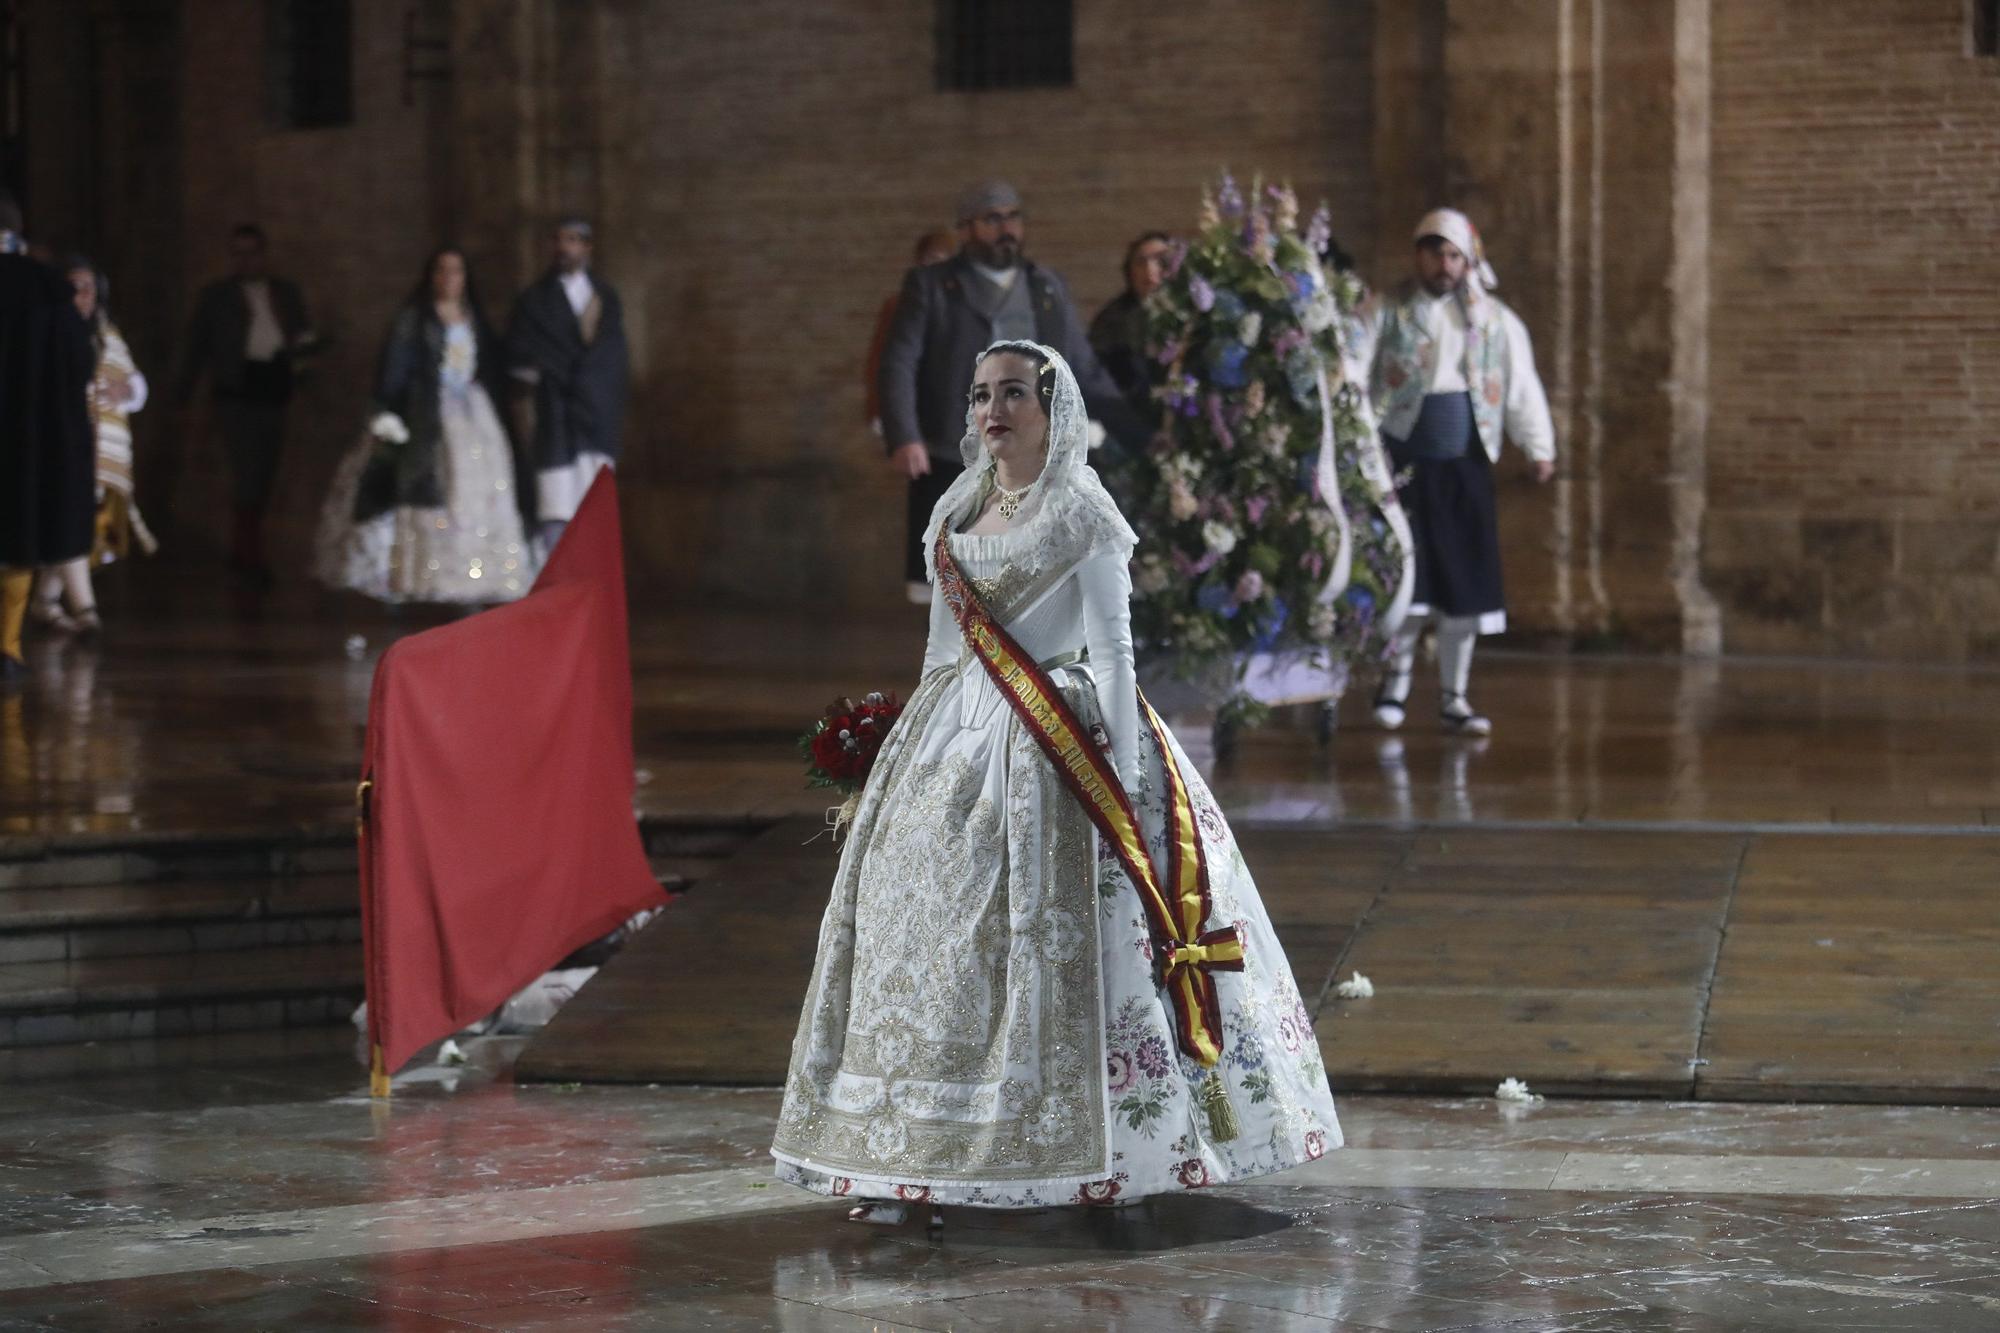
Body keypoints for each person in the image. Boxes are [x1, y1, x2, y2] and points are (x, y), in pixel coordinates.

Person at [772, 342, 1339, 1228]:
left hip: (1064, 741)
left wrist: (1120, 768)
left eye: (1012, 394)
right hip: (955, 743)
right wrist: (901, 754)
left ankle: (1118, 1157)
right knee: (927, 941)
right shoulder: (955, 508)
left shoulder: (1083, 511)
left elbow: (1114, 652)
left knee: (1073, 947)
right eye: (980, 394)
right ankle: (915, 1157)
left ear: (1052, 407)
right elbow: (942, 654)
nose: (993, 409)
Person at [876, 180, 1148, 605]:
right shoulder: (931, 286)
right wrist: (905, 434)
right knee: (957, 586)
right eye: (992, 219)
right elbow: (899, 362)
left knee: (1031, 581)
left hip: (1034, 458)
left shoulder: (1046, 288)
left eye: (1013, 217)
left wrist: (1135, 426)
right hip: (956, 449)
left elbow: (1081, 366)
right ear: (965, 230)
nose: (1007, 229)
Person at [1351, 208, 1554, 737]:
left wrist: (1537, 445)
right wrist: (1353, 441)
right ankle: (1393, 685)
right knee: (1407, 582)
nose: (1444, 264)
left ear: (1468, 261)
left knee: (1465, 583)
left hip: (1464, 464)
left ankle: (1454, 697)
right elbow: (1354, 367)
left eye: (1454, 255)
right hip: (1403, 465)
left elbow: (1519, 384)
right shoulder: (1386, 310)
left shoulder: (1493, 322)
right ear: (1418, 255)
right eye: (1435, 252)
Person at [314, 247, 533, 604]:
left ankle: (473, 578)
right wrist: (387, 414)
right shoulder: (414, 319)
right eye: (441, 271)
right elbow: (395, 371)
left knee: (477, 489)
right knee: (426, 486)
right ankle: (415, 577)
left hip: (472, 414)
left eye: (456, 271)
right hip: (426, 413)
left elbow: (489, 364)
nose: (449, 279)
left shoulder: (473, 318)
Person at [174, 223, 316, 582]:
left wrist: (306, 377)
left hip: (275, 392)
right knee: (246, 474)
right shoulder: (216, 297)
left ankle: (254, 548)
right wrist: (182, 397)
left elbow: (303, 342)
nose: (246, 260)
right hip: (237, 395)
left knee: (268, 474)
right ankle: (247, 553)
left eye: (252, 252)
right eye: (239, 253)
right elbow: (196, 348)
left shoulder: (285, 293)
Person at [31, 257, 159, 638]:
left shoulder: (106, 333)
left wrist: (127, 390)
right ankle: (85, 609)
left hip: (101, 448)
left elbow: (133, 379)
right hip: (63, 443)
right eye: (74, 287)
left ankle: (46, 601)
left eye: (89, 288)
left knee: (81, 521)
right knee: (71, 520)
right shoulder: (46, 330)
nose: (82, 295)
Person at [0, 194, 96, 688]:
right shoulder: (49, 288)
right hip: (29, 439)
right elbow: (79, 366)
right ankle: (8, 648)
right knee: (16, 543)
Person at [504, 217, 630, 558]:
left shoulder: (605, 298)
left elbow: (613, 357)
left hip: (595, 416)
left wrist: (589, 384)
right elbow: (521, 354)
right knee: (555, 507)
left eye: (573, 240)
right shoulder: (534, 301)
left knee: (594, 508)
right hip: (554, 415)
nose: (565, 248)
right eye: (559, 240)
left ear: (587, 247)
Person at [864, 229, 956, 442]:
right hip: (914, 405)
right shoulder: (899, 307)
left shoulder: (965, 309)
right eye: (929, 261)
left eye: (941, 262)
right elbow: (881, 360)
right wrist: (878, 409)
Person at [1088, 230, 1172, 416]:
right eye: (1141, 262)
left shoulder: (1193, 313)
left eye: (1160, 260)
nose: (1150, 270)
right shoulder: (1111, 319)